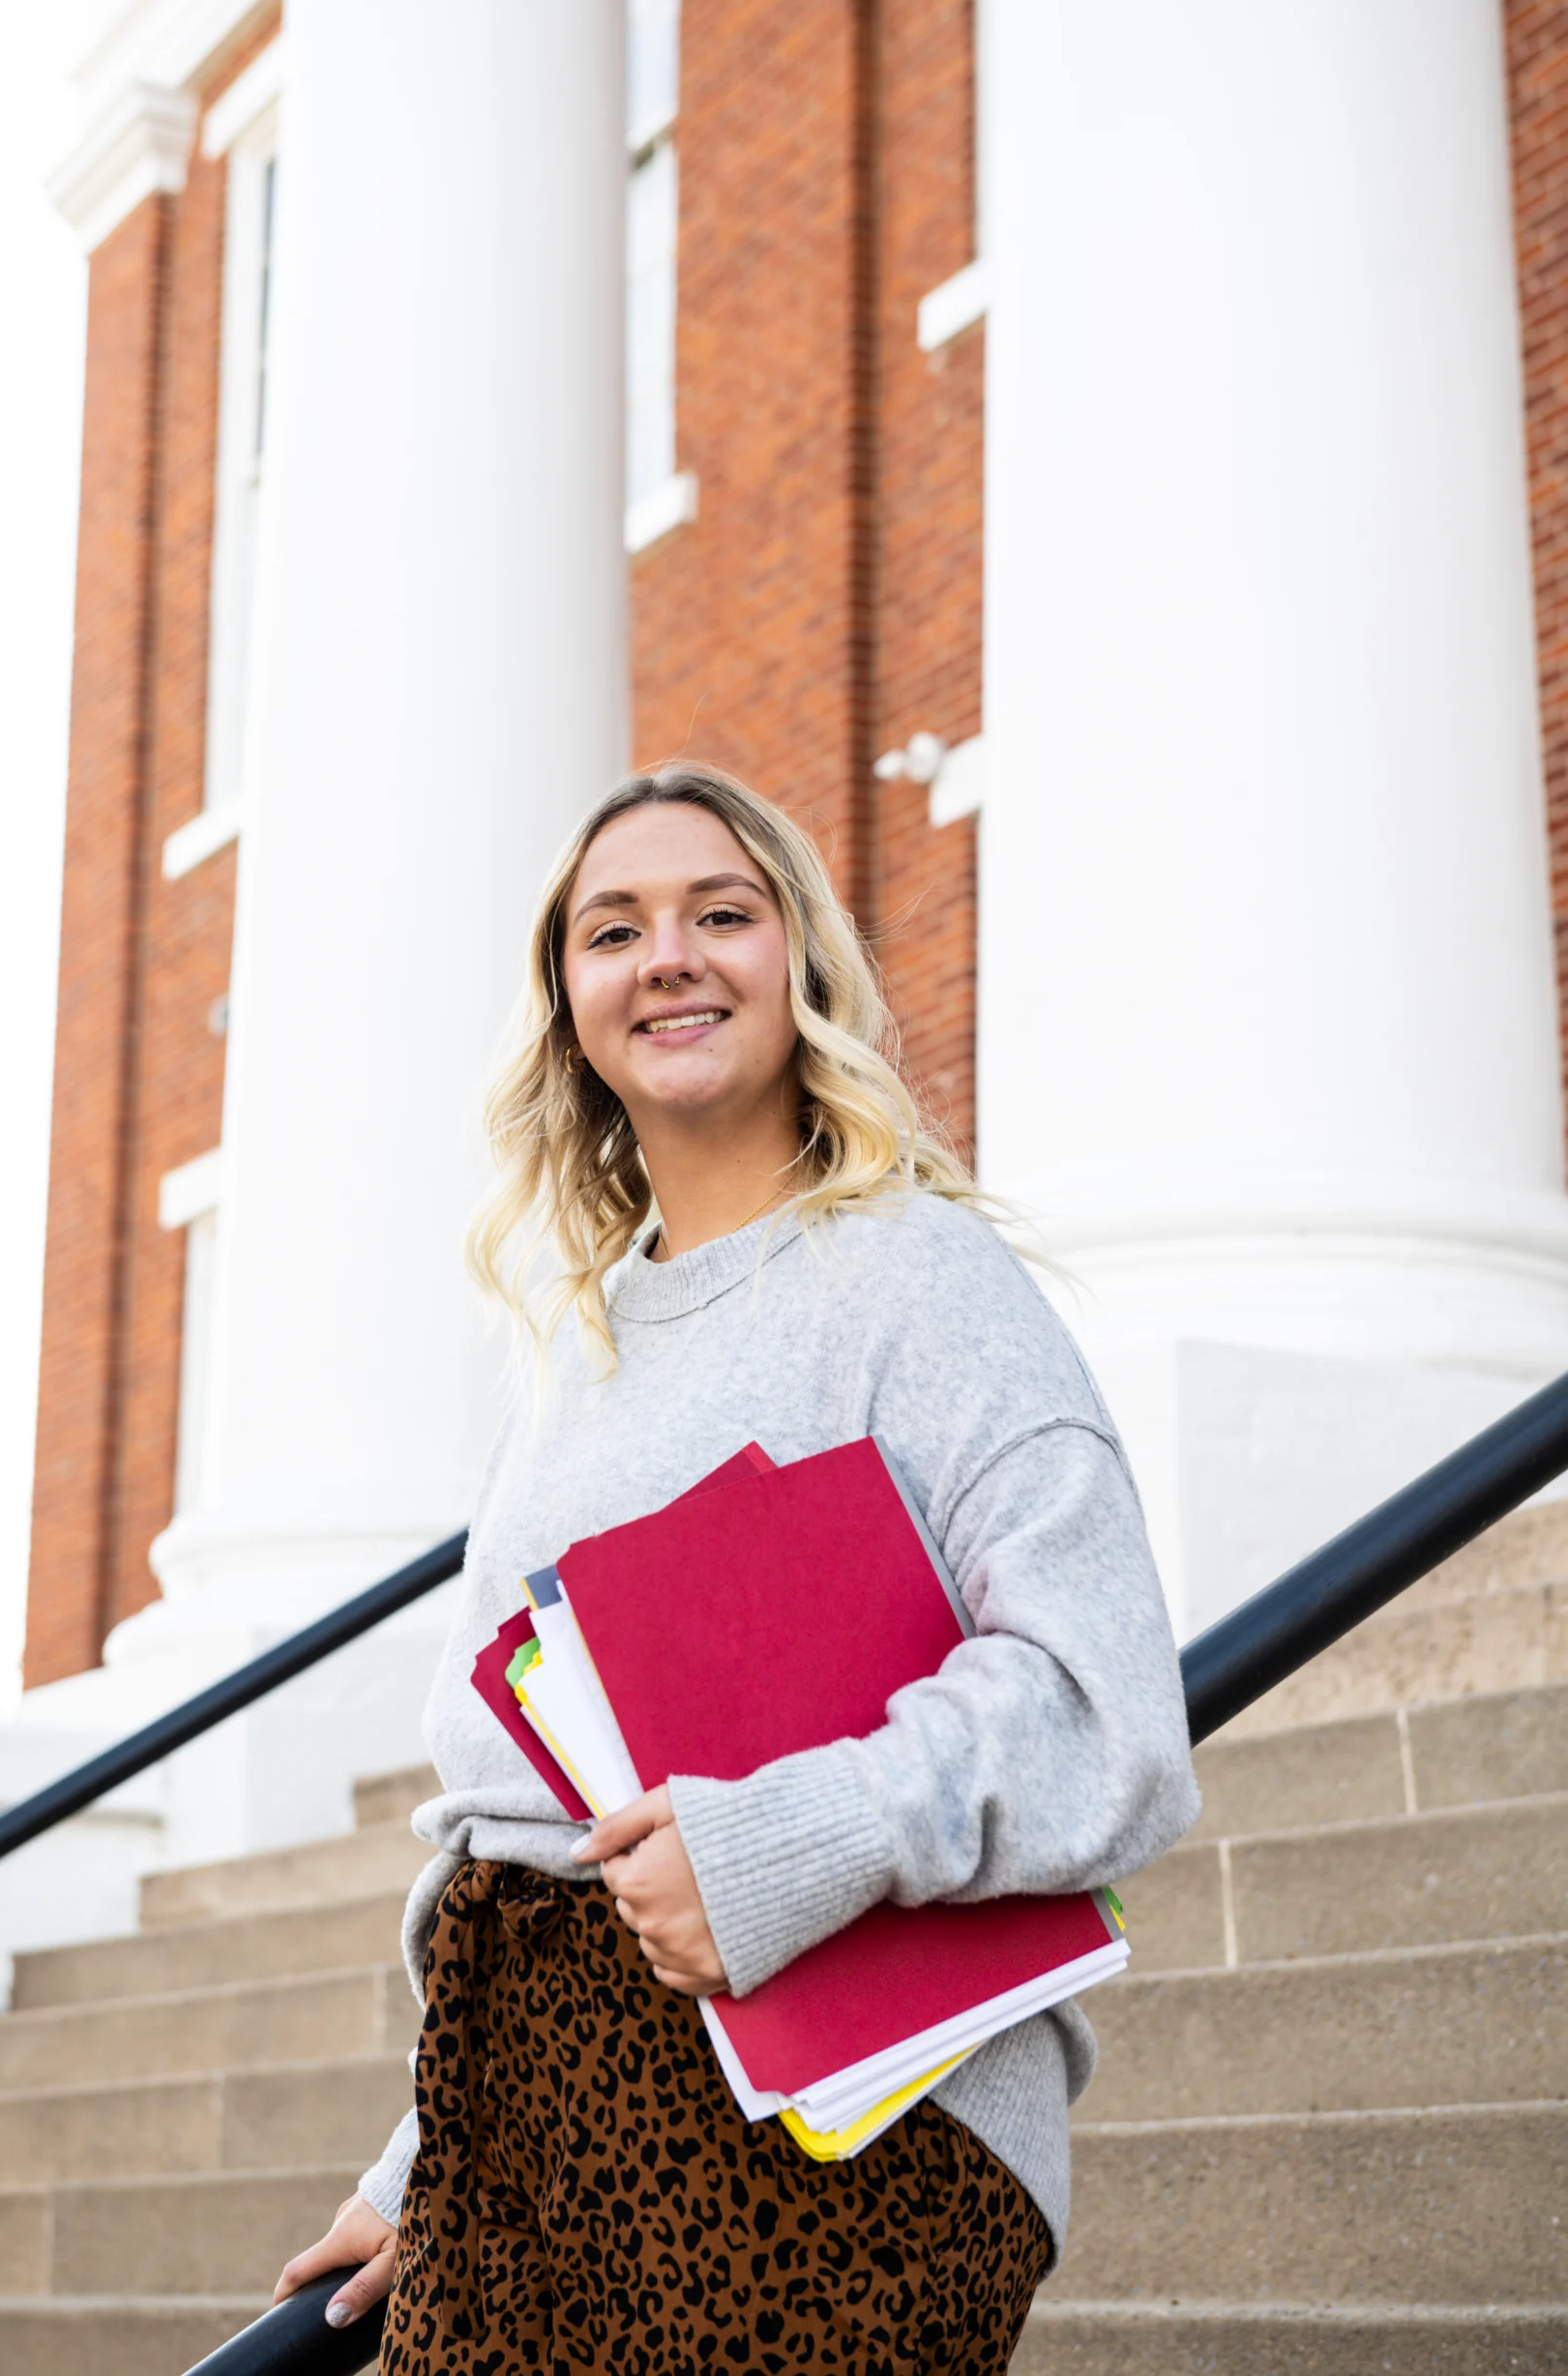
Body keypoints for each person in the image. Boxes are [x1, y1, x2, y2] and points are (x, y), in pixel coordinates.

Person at [274, 760, 1199, 2374]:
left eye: (723, 912)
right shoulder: (570, 1352)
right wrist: (421, 2161)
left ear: (803, 965)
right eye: (612, 930)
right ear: (568, 1008)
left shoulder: (919, 1275)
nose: (670, 957)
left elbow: (1098, 1703)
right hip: (520, 2139)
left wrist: (785, 1842)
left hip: (852, 2134)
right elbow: (518, 1807)